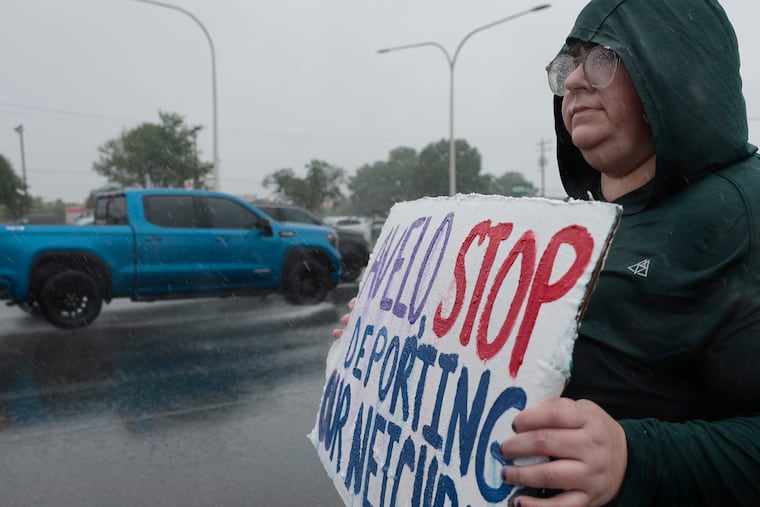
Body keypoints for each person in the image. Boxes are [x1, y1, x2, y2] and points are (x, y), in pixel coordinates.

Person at [335, 0, 760, 505]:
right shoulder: (568, 223)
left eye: (603, 59)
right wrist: (394, 344)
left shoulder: (742, 212)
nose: (575, 80)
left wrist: (633, 458)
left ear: (672, 66)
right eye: (568, 64)